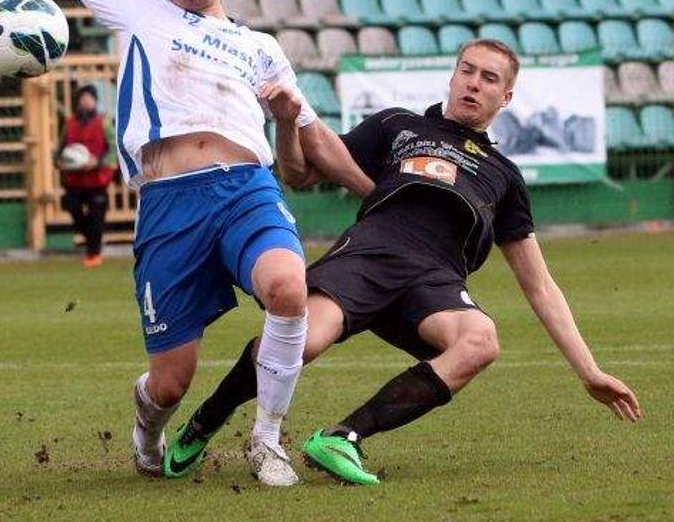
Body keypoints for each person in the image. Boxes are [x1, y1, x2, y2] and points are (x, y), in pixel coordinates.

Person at [50, 0, 372, 486]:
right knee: (172, 380)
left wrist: (377, 193)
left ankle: (267, 438)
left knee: (289, 289)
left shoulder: (262, 48)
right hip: (169, 203)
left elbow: (313, 144)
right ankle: (148, 427)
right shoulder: (139, 13)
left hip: (246, 189)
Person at [167, 39, 642, 485]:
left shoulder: (505, 177)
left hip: (434, 281)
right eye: (467, 71)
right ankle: (205, 421)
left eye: (489, 78)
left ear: (506, 96)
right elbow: (300, 173)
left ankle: (342, 437)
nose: (474, 83)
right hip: (371, 253)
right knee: (301, 344)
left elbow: (539, 285)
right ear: (453, 77)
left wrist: (589, 371)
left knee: (480, 341)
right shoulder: (398, 125)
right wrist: (288, 123)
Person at [56, 84, 117, 267]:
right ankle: (91, 240)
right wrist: (59, 161)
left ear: (94, 101)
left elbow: (113, 149)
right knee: (73, 208)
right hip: (73, 179)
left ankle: (94, 255)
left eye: (89, 98)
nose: (85, 102)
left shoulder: (103, 123)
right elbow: (60, 149)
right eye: (83, 99)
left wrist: (96, 162)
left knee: (96, 216)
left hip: (97, 179)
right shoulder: (69, 123)